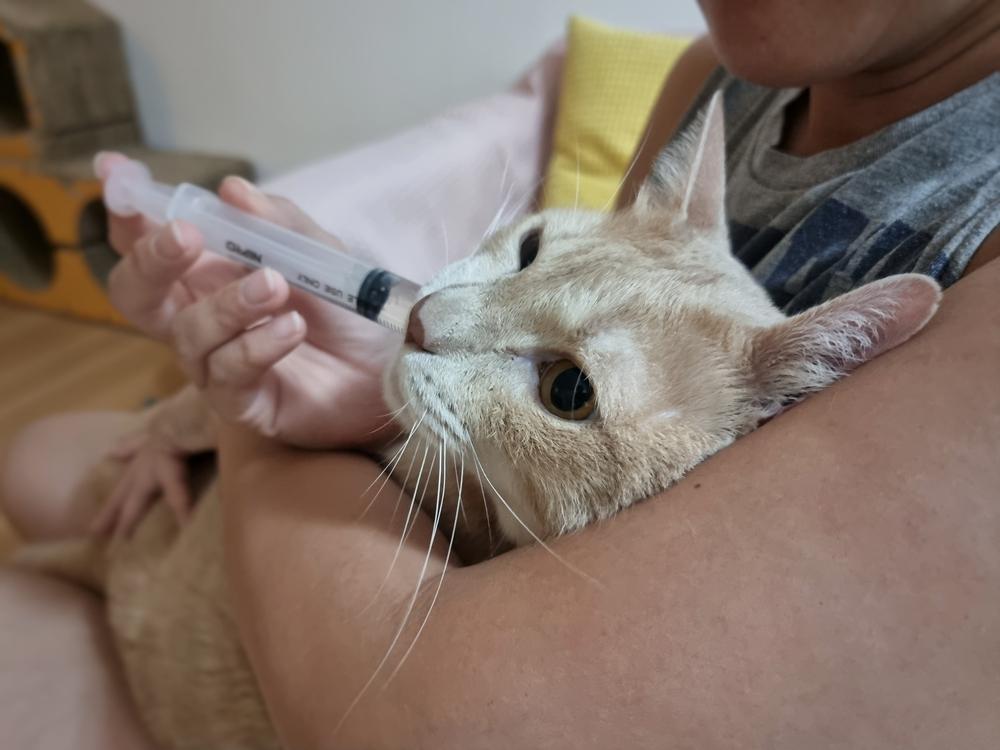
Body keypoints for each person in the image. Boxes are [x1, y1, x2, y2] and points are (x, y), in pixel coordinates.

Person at [2, 1, 998, 747]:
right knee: (40, 455)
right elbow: (496, 331)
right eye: (525, 251)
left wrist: (253, 421)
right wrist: (320, 368)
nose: (437, 318)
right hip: (377, 510)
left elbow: (422, 716)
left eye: (570, 388)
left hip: (339, 664)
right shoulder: (722, 74)